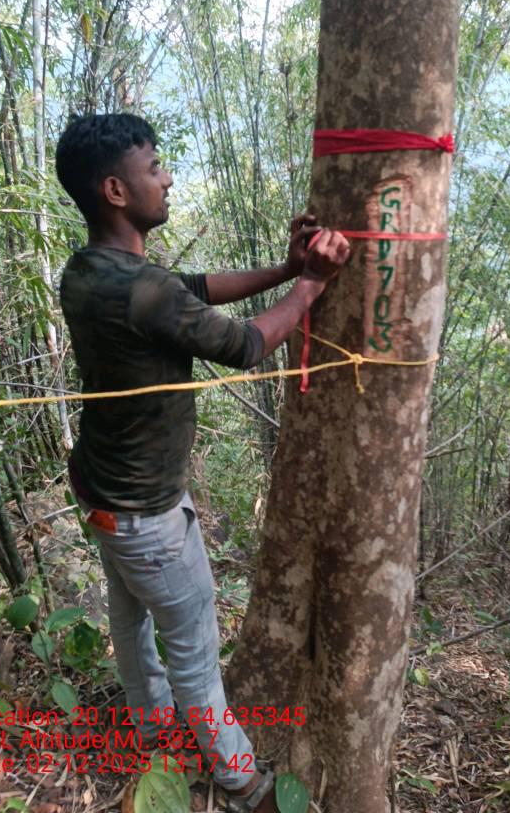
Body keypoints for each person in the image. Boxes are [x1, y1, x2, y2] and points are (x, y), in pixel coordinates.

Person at [55, 113, 350, 812]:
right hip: (147, 514)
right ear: (115, 190)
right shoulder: (141, 289)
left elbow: (190, 288)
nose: (166, 179)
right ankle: (242, 781)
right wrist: (312, 286)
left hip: (99, 491)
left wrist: (287, 269)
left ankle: (150, 733)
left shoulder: (89, 270)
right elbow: (246, 345)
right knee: (193, 650)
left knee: (131, 620)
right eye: (154, 167)